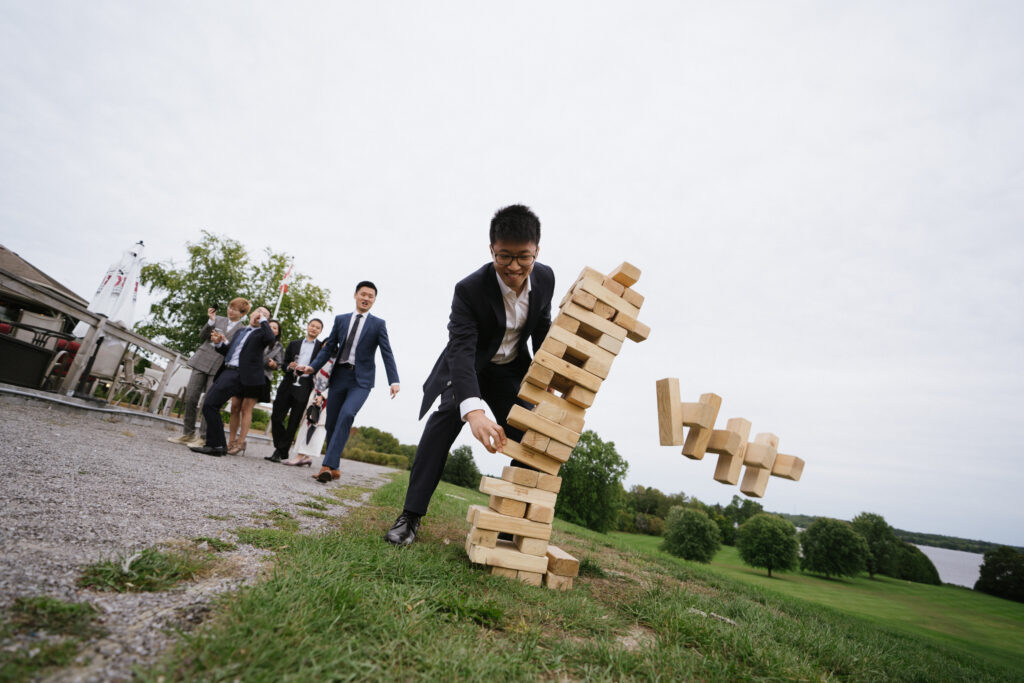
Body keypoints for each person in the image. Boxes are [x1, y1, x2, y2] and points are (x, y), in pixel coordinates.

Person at [384, 204, 553, 546]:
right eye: (504, 256)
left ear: (537, 250)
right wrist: (473, 412)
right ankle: (410, 516)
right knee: (445, 420)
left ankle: (510, 521)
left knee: (532, 436)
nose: (514, 266)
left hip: (510, 371)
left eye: (523, 257)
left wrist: (550, 379)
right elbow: (461, 350)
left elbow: (542, 328)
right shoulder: (469, 289)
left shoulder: (546, 278)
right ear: (492, 250)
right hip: (468, 368)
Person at [297, 281, 400, 483]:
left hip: (361, 381)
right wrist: (313, 367)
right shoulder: (341, 319)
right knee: (332, 423)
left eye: (370, 296)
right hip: (339, 376)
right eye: (363, 294)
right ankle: (334, 468)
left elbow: (386, 352)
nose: (366, 298)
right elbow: (328, 348)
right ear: (355, 295)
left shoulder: (378, 324)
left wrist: (393, 380)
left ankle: (326, 466)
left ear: (374, 300)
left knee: (347, 415)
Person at [190, 306, 275, 456]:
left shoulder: (262, 333)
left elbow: (270, 338)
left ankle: (216, 445)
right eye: (258, 311)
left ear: (266, 320)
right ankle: (218, 445)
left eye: (264, 314)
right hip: (226, 370)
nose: (260, 314)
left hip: (238, 374)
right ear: (251, 313)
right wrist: (219, 343)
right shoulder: (240, 331)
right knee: (210, 405)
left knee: (210, 405)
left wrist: (263, 321)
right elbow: (229, 351)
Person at [167, 298, 249, 446]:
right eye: (229, 307)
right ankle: (188, 434)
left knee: (208, 402)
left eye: (234, 309)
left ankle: (203, 437)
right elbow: (202, 336)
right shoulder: (217, 319)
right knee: (191, 397)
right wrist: (210, 321)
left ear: (242, 314)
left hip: (219, 367)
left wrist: (224, 342)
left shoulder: (243, 330)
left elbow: (235, 351)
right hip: (201, 360)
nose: (230, 311)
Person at [266, 318, 324, 463]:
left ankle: (279, 452)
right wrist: (289, 367)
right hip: (289, 380)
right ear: (308, 326)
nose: (314, 329)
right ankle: (282, 447)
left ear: (320, 331)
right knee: (276, 416)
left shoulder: (320, 348)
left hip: (305, 384)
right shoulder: (294, 344)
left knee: (294, 420)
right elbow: (284, 363)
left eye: (317, 327)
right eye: (312, 325)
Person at [225, 319, 284, 455]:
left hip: (260, 377)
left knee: (246, 408)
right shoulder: (254, 337)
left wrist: (273, 364)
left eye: (275, 328)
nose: (272, 329)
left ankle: (240, 442)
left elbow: (279, 364)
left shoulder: (278, 346)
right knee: (234, 407)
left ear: (277, 333)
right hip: (243, 374)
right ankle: (231, 441)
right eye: (270, 326)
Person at [281, 387, 329, 467]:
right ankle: (307, 457)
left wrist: (322, 396)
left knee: (314, 425)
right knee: (307, 423)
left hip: (325, 397)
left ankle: (299, 456)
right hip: (316, 392)